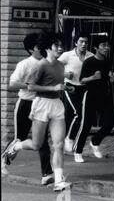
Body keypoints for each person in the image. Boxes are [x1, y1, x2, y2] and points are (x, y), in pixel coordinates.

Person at [1, 32, 72, 192]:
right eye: (56, 46)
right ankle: (10, 152)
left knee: (57, 144)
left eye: (62, 45)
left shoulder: (59, 65)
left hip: (54, 105)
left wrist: (65, 87)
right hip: (34, 104)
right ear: (45, 47)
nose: (60, 48)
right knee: (32, 142)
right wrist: (51, 88)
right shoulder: (34, 65)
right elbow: (23, 85)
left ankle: (55, 178)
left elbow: (57, 82)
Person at [1, 33, 54, 185]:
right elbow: (12, 83)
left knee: (43, 141)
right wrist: (28, 86)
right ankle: (4, 160)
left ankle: (46, 174)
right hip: (25, 103)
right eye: (39, 47)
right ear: (31, 50)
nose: (42, 49)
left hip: (41, 105)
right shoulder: (24, 64)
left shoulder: (48, 63)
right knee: (20, 138)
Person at [74, 35, 114, 163]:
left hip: (104, 95)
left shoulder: (108, 61)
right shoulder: (89, 62)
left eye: (108, 45)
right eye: (103, 45)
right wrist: (93, 77)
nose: (106, 48)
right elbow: (81, 80)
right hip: (91, 95)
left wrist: (112, 79)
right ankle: (78, 151)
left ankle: (95, 141)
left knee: (109, 124)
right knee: (86, 124)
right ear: (96, 48)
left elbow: (109, 78)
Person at [58, 32, 94, 155]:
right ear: (76, 43)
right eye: (81, 42)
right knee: (78, 113)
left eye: (86, 42)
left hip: (85, 88)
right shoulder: (67, 55)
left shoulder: (91, 56)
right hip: (70, 87)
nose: (84, 44)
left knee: (74, 115)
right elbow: (53, 67)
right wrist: (65, 74)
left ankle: (65, 139)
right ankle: (69, 138)